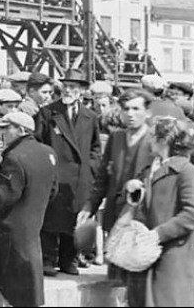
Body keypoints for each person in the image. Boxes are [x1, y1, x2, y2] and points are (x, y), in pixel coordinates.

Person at [0, 112, 58, 307]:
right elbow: (53, 190)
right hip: (34, 222)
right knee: (30, 281)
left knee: (14, 287)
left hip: (11, 227)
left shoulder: (14, 157)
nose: (1, 133)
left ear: (22, 130)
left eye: (6, 128)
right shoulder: (48, 152)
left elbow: (4, 196)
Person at [125, 117, 194, 307]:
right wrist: (130, 188)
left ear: (164, 139)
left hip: (172, 253)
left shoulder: (186, 171)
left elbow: (193, 214)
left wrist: (158, 234)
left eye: (152, 135)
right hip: (145, 252)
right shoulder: (150, 168)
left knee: (165, 300)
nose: (149, 140)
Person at [79, 89, 154, 281]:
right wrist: (90, 205)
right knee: (116, 276)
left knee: (139, 277)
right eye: (126, 109)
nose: (130, 114)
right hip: (116, 213)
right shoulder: (117, 138)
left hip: (143, 217)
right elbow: (103, 175)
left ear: (147, 112)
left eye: (136, 109)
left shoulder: (155, 140)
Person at [34, 68, 101, 276]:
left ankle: (68, 260)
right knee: (51, 218)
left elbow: (95, 147)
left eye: (73, 87)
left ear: (81, 90)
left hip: (79, 177)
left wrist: (89, 168)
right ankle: (47, 260)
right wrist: (46, 166)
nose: (68, 90)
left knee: (75, 217)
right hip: (55, 174)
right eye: (66, 86)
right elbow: (38, 142)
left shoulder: (90, 116)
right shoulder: (48, 112)